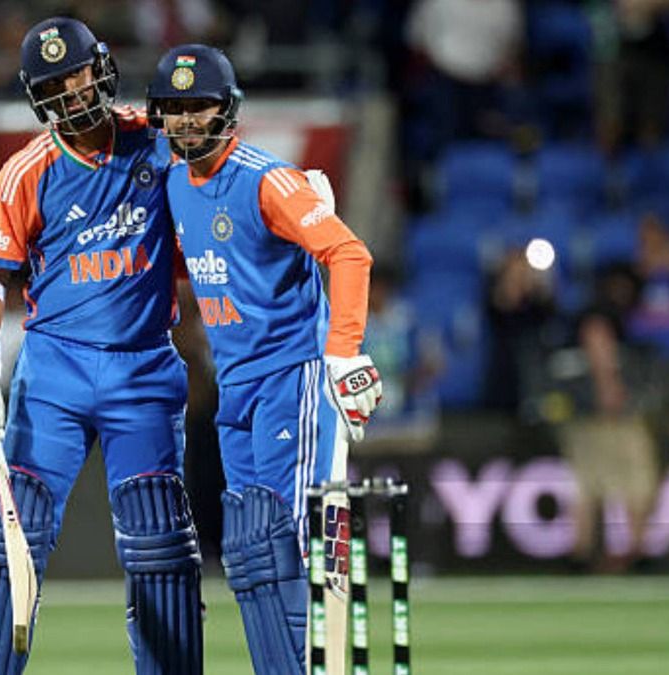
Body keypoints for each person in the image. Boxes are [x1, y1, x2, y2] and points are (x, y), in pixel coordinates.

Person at [0, 18, 202, 675]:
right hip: (53, 370)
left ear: (103, 66)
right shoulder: (26, 171)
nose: (71, 92)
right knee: (10, 538)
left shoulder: (157, 140)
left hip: (144, 365)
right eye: (53, 85)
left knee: (160, 544)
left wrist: (292, 187)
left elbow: (223, 170)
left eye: (77, 73)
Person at [146, 45, 381, 674]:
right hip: (235, 386)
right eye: (175, 109)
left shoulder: (267, 178)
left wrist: (342, 356)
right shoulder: (172, 182)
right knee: (249, 549)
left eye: (200, 107)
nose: (188, 121)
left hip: (294, 377)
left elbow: (350, 254)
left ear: (228, 109)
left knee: (285, 543)